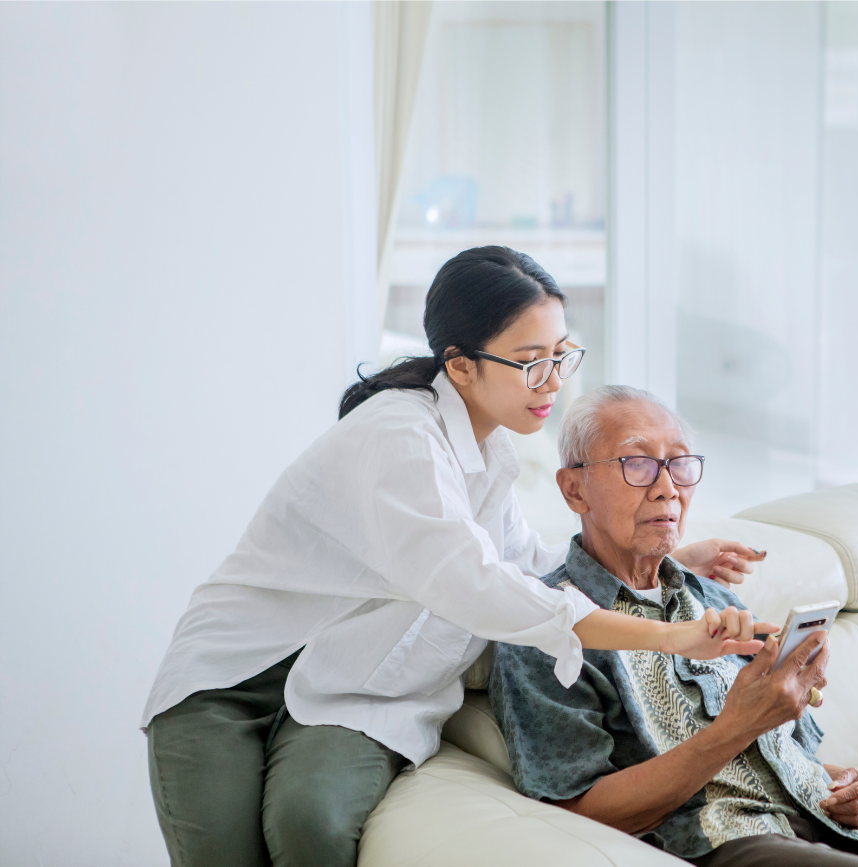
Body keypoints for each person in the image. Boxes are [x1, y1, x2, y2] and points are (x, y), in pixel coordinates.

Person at [141, 247, 775, 867]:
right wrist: (670, 636)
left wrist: (671, 556)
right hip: (234, 679)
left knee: (314, 826)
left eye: (560, 356)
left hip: (351, 685)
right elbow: (477, 584)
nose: (554, 381)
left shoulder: (491, 454)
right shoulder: (399, 435)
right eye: (531, 362)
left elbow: (529, 562)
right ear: (461, 366)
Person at [491, 385, 858, 867]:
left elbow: (787, 757)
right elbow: (574, 813)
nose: (667, 487)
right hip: (730, 843)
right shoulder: (547, 625)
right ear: (574, 488)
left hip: (826, 821)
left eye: (680, 463)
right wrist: (737, 725)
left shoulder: (711, 596)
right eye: (637, 463)